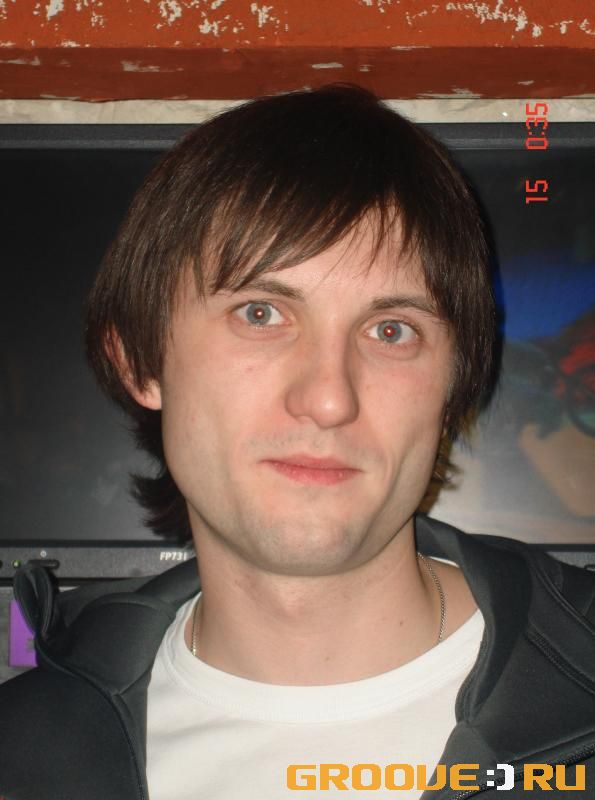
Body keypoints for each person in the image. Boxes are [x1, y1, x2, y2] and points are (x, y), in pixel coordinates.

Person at [1, 84, 594, 800]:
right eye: (260, 314)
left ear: (453, 388)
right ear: (140, 362)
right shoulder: (23, 758)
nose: (329, 398)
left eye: (391, 331)